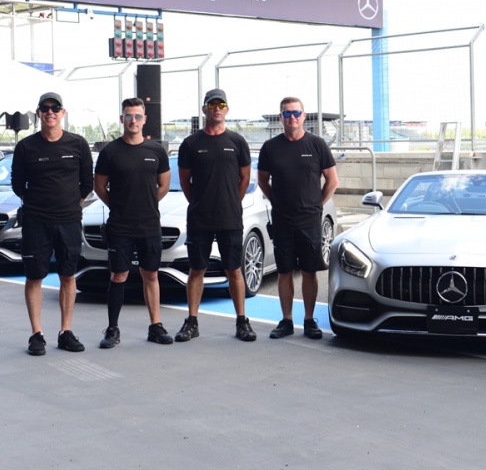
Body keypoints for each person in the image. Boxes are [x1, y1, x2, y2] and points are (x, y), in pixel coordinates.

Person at [11, 92, 94, 356]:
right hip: (36, 222)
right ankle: (37, 334)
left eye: (55, 108)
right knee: (34, 276)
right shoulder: (26, 147)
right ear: (38, 113)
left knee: (68, 275)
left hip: (69, 221)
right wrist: (37, 203)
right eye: (45, 108)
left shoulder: (78, 144)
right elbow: (17, 184)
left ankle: (65, 332)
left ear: (62, 112)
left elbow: (87, 183)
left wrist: (69, 204)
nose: (50, 112)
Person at [175, 89, 257, 343]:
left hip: (230, 218)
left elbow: (244, 179)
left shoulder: (237, 142)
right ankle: (192, 322)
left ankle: (242, 321)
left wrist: (231, 201)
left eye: (221, 105)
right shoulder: (191, 144)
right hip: (199, 219)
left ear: (227, 110)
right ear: (204, 110)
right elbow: (185, 181)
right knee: (196, 269)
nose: (217, 109)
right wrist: (199, 203)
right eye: (212, 105)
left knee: (234, 270)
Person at [94, 98, 173, 349]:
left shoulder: (156, 151)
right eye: (129, 116)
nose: (133, 121)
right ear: (122, 119)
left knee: (151, 274)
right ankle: (112, 329)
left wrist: (147, 203)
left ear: (144, 120)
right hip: (120, 226)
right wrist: (118, 206)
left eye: (138, 116)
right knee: (119, 274)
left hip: (149, 224)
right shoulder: (110, 152)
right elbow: (99, 186)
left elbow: (164, 185)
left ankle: (155, 326)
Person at [257, 96, 338, 340]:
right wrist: (276, 201)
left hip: (309, 221)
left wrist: (317, 205)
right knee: (284, 271)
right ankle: (287, 321)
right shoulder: (270, 148)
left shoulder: (317, 145)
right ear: (280, 117)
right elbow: (262, 180)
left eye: (296, 113)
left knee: (309, 271)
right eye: (287, 113)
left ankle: (309, 320)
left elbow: (332, 180)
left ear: (303, 116)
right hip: (282, 220)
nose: (291, 117)